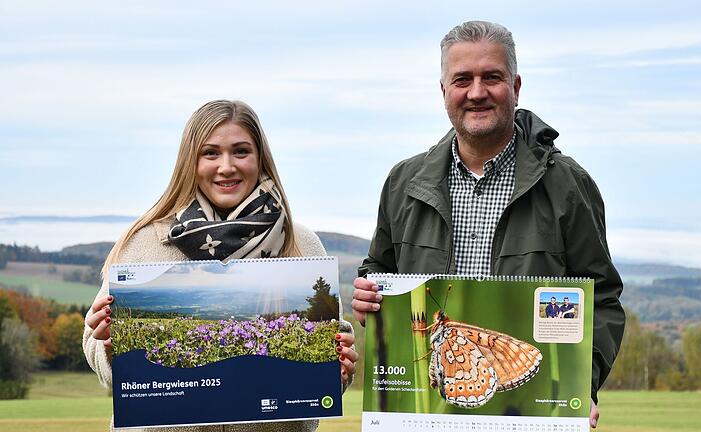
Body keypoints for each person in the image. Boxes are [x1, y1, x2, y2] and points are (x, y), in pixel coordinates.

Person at [351, 21, 624, 428]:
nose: (476, 92)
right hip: (422, 415)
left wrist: (581, 383)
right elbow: (379, 271)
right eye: (462, 79)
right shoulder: (402, 183)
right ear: (444, 91)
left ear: (515, 86)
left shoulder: (568, 185)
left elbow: (600, 298)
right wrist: (368, 297)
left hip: (528, 415)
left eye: (491, 77)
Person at [83, 100, 357, 432]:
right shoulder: (144, 242)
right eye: (210, 153)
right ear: (190, 162)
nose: (226, 167)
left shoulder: (301, 243)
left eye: (240, 151)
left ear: (260, 159)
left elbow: (329, 358)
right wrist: (110, 347)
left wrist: (337, 368)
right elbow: (95, 346)